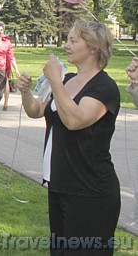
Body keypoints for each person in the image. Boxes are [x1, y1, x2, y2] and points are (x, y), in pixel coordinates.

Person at [18, 20, 120, 255]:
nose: (67, 45)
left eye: (74, 40)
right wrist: (25, 92)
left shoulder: (104, 87)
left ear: (93, 48)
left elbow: (75, 120)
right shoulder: (66, 80)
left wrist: (54, 79)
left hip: (91, 191)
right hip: (61, 184)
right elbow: (36, 110)